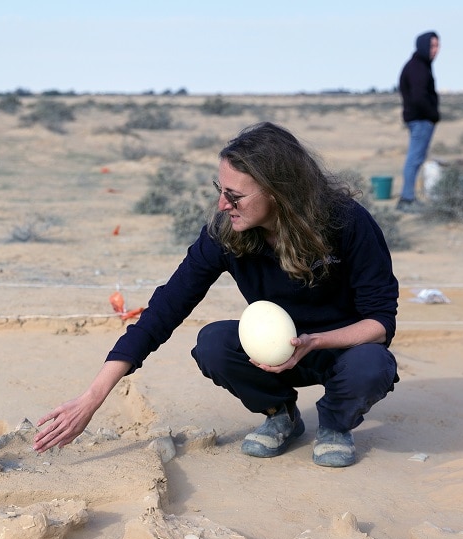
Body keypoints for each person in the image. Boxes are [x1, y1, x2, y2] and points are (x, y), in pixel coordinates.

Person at [34, 122, 399, 468]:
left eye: (235, 196)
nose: (223, 204)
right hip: (272, 354)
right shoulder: (227, 234)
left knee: (372, 365)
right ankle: (281, 415)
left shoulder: (347, 222)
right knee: (213, 343)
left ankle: (336, 424)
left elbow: (380, 322)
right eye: (220, 190)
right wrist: (92, 397)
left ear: (279, 192)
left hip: (341, 350)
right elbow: (165, 309)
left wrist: (314, 341)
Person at [397, 31, 440, 210]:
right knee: (414, 159)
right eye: (432, 46)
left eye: (438, 46)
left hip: (421, 119)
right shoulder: (417, 67)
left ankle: (409, 197)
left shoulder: (421, 65)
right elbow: (418, 97)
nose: (436, 50)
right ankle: (407, 199)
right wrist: (432, 114)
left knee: (416, 158)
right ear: (423, 46)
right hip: (420, 120)